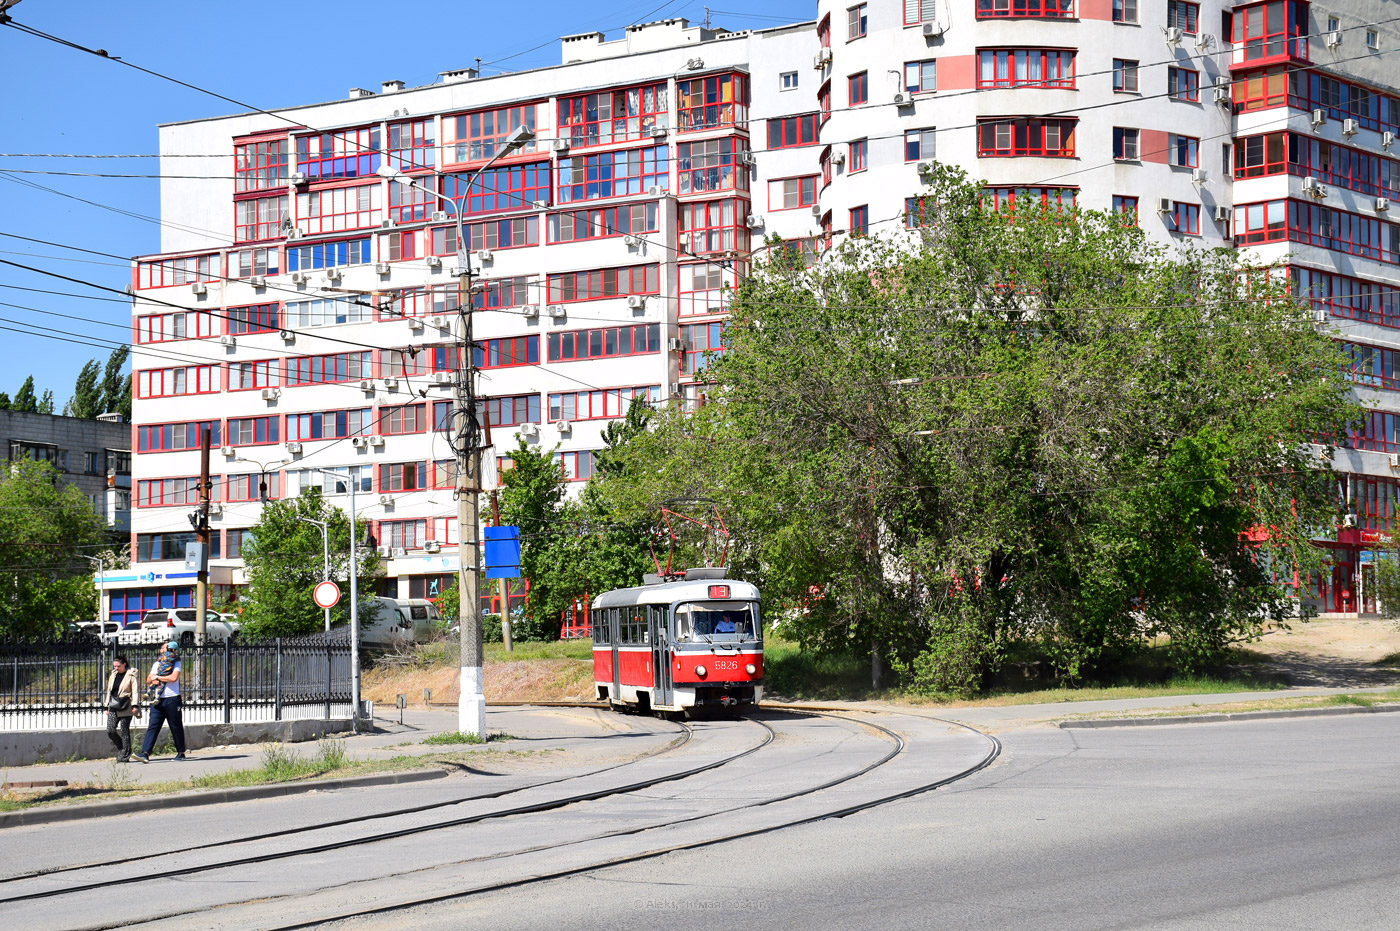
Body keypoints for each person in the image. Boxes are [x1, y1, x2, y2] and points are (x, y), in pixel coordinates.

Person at [134, 641, 186, 763]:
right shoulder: (157, 663)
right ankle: (145, 753)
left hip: (172, 698)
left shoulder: (176, 662)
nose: (164, 650)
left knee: (176, 726)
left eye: (166, 648)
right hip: (157, 699)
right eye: (163, 648)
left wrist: (157, 678)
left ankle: (181, 752)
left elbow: (173, 678)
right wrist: (153, 678)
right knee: (153, 726)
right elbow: (148, 679)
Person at [103, 654, 141, 763]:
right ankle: (122, 748)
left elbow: (135, 691)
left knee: (124, 730)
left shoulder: (131, 674)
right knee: (110, 730)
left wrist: (134, 705)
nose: (116, 668)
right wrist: (106, 706)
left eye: (118, 666)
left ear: (124, 664)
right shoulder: (113, 675)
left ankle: (125, 754)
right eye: (114, 666)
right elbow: (109, 691)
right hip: (114, 705)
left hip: (126, 705)